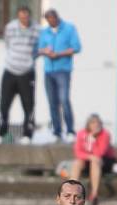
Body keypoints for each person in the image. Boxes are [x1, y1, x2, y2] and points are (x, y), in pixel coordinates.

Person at [0, 5, 39, 146]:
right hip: (10, 71)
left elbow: (37, 48)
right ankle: (1, 132)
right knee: (4, 103)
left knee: (28, 105)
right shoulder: (10, 27)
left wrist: (29, 60)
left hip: (27, 72)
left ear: (29, 16)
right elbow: (7, 44)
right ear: (18, 16)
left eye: (25, 17)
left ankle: (27, 133)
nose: (23, 19)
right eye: (21, 17)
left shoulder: (37, 29)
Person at [37, 9, 81, 143]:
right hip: (48, 71)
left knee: (64, 99)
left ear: (57, 18)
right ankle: (57, 130)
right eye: (48, 20)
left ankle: (70, 130)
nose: (51, 22)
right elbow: (38, 49)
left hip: (63, 70)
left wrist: (59, 54)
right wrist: (45, 51)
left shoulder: (69, 29)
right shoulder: (44, 32)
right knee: (52, 102)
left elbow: (76, 47)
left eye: (53, 19)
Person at [69, 113, 117, 205]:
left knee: (95, 161)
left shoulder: (105, 134)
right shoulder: (81, 133)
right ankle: (72, 192)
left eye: (98, 123)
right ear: (88, 124)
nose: (96, 125)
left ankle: (94, 194)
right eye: (93, 123)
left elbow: (100, 153)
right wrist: (89, 156)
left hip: (105, 161)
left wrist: (93, 139)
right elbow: (78, 152)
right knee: (77, 163)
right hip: (88, 159)